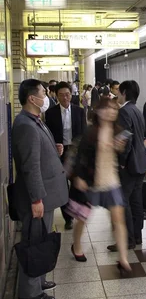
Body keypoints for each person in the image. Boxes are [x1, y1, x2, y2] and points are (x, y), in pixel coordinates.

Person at [12, 79, 68, 299]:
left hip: (46, 194)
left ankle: (39, 280)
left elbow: (38, 153)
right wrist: (36, 199)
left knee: (41, 237)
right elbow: (30, 166)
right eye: (43, 93)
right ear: (31, 98)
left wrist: (53, 149)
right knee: (34, 241)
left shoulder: (35, 120)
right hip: (38, 196)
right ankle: (29, 292)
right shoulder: (25, 124)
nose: (46, 97)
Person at [72, 98, 131, 271]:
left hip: (112, 182)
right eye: (107, 108)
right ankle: (76, 245)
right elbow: (80, 158)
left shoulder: (119, 131)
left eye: (114, 109)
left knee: (118, 220)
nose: (111, 112)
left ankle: (123, 258)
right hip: (91, 183)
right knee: (82, 218)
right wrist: (79, 177)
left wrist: (121, 150)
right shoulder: (90, 132)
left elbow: (123, 159)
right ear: (98, 111)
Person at [107, 80, 146, 251]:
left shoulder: (124, 111)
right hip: (140, 163)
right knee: (136, 202)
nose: (117, 94)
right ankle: (137, 237)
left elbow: (125, 138)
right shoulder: (137, 110)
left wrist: (122, 163)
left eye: (118, 92)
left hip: (129, 166)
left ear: (123, 92)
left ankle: (127, 240)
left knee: (123, 203)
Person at [45, 81, 87, 230]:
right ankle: (67, 218)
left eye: (67, 94)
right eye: (61, 95)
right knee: (62, 186)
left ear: (71, 94)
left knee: (76, 186)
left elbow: (84, 133)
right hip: (59, 153)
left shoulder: (79, 111)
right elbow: (48, 135)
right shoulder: (50, 113)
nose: (65, 98)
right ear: (56, 96)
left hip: (75, 153)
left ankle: (75, 211)